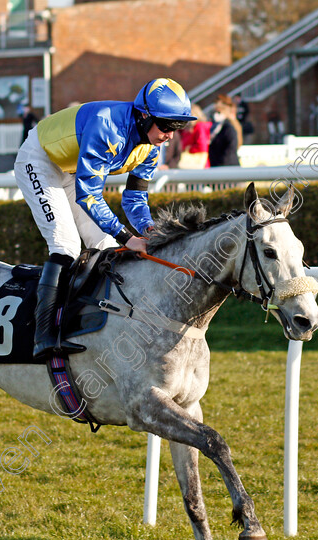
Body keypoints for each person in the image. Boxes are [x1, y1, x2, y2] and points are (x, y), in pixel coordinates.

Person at [14, 77, 196, 358]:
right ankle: (43, 335)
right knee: (65, 245)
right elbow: (89, 196)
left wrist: (147, 230)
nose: (171, 135)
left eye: (178, 127)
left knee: (104, 248)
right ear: (145, 115)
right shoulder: (107, 126)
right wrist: (126, 236)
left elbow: (135, 198)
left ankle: (86, 323)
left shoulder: (152, 147)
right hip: (40, 161)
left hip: (70, 169)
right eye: (167, 125)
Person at [208, 95, 240, 167]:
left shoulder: (229, 125)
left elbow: (232, 146)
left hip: (227, 166)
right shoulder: (215, 125)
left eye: (218, 111)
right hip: (216, 164)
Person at [176, 104, 210, 168]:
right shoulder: (187, 128)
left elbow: (202, 147)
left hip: (198, 164)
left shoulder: (200, 126)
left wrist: (189, 149)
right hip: (189, 163)